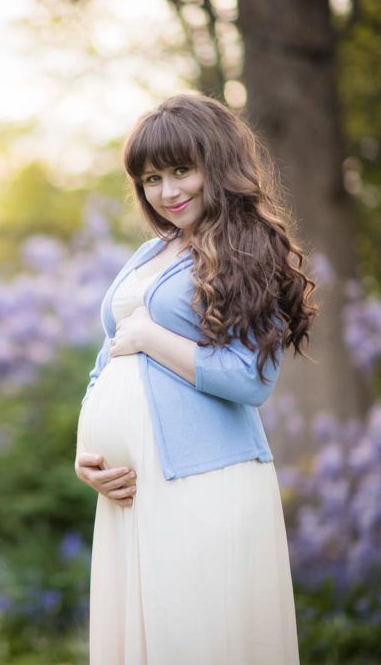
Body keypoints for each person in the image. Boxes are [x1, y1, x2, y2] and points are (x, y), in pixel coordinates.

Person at [73, 92, 318, 664]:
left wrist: (152, 338)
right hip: (132, 492)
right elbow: (110, 356)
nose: (168, 191)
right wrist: (86, 454)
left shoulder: (251, 246)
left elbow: (251, 380)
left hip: (202, 481)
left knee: (195, 641)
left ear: (219, 164)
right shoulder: (150, 254)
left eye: (182, 170)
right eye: (152, 178)